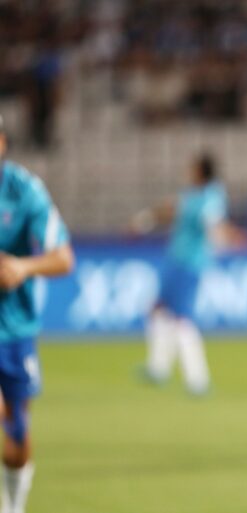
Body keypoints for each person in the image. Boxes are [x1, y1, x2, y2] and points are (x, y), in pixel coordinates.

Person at [0, 115, 75, 513]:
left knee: (17, 433)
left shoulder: (24, 190)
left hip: (15, 330)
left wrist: (23, 267)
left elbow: (63, 258)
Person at [131, 153, 246, 395]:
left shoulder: (211, 196)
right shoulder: (192, 194)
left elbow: (212, 224)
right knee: (157, 309)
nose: (188, 172)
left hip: (190, 263)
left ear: (201, 171)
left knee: (182, 320)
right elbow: (172, 209)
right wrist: (145, 221)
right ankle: (158, 368)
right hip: (176, 259)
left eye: (192, 168)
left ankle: (197, 379)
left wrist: (229, 237)